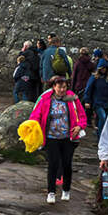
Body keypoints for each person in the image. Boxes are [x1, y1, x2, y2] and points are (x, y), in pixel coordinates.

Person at [29, 76, 87, 204]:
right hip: (51, 137)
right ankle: (51, 192)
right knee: (53, 164)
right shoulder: (45, 99)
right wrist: (32, 125)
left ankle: (66, 189)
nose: (62, 89)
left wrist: (79, 126)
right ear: (54, 87)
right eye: (59, 87)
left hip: (68, 138)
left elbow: (82, 116)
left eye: (64, 87)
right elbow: (36, 115)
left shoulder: (73, 99)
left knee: (67, 165)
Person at [83, 59, 108, 138]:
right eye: (102, 68)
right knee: (103, 117)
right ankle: (101, 136)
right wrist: (87, 101)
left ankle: (107, 136)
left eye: (105, 68)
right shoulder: (94, 77)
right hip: (98, 103)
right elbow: (88, 89)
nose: (103, 70)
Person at [71, 47, 96, 125]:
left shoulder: (78, 63)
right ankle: (88, 120)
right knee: (88, 103)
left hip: (79, 85)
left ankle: (79, 120)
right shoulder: (91, 64)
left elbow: (74, 76)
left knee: (79, 104)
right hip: (88, 85)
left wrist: (72, 88)